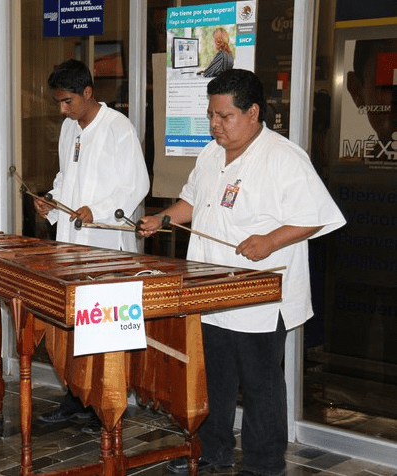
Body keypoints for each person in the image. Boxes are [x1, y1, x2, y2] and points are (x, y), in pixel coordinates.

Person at [138, 69, 345, 476]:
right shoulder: (211, 154)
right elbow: (193, 202)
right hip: (210, 291)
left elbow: (317, 217)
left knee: (260, 386)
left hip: (260, 299)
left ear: (253, 112)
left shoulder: (284, 157)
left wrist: (269, 240)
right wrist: (162, 218)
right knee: (213, 379)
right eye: (211, 115)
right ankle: (213, 452)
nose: (215, 125)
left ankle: (263, 465)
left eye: (224, 116)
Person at [33, 59, 150, 434]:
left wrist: (95, 209)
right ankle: (77, 398)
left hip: (106, 245)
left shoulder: (118, 128)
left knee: (106, 328)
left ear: (88, 93)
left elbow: (136, 185)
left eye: (67, 101)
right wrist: (52, 200)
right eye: (58, 102)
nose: (62, 109)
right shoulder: (70, 129)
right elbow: (66, 176)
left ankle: (107, 408)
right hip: (72, 243)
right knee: (75, 326)